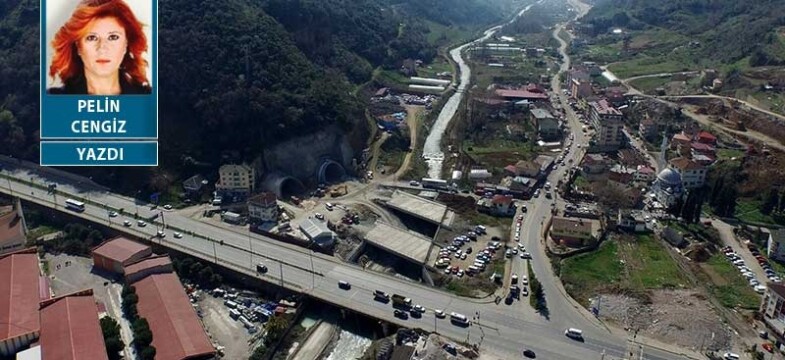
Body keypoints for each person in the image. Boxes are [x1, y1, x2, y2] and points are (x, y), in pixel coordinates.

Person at [48, 0, 151, 95]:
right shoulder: (52, 102)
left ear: (126, 44)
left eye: (113, 37)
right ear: (78, 46)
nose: (102, 48)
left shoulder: (150, 100)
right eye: (92, 37)